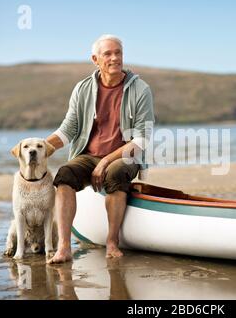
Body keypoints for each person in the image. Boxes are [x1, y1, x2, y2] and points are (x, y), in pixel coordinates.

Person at [45, 35, 154, 263]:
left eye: (118, 53)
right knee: (64, 175)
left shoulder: (140, 90)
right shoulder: (82, 89)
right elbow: (69, 129)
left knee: (115, 173)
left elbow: (142, 140)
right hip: (88, 155)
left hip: (124, 155)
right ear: (95, 59)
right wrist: (42, 148)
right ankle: (64, 247)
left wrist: (105, 162)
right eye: (108, 54)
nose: (115, 58)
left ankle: (112, 242)